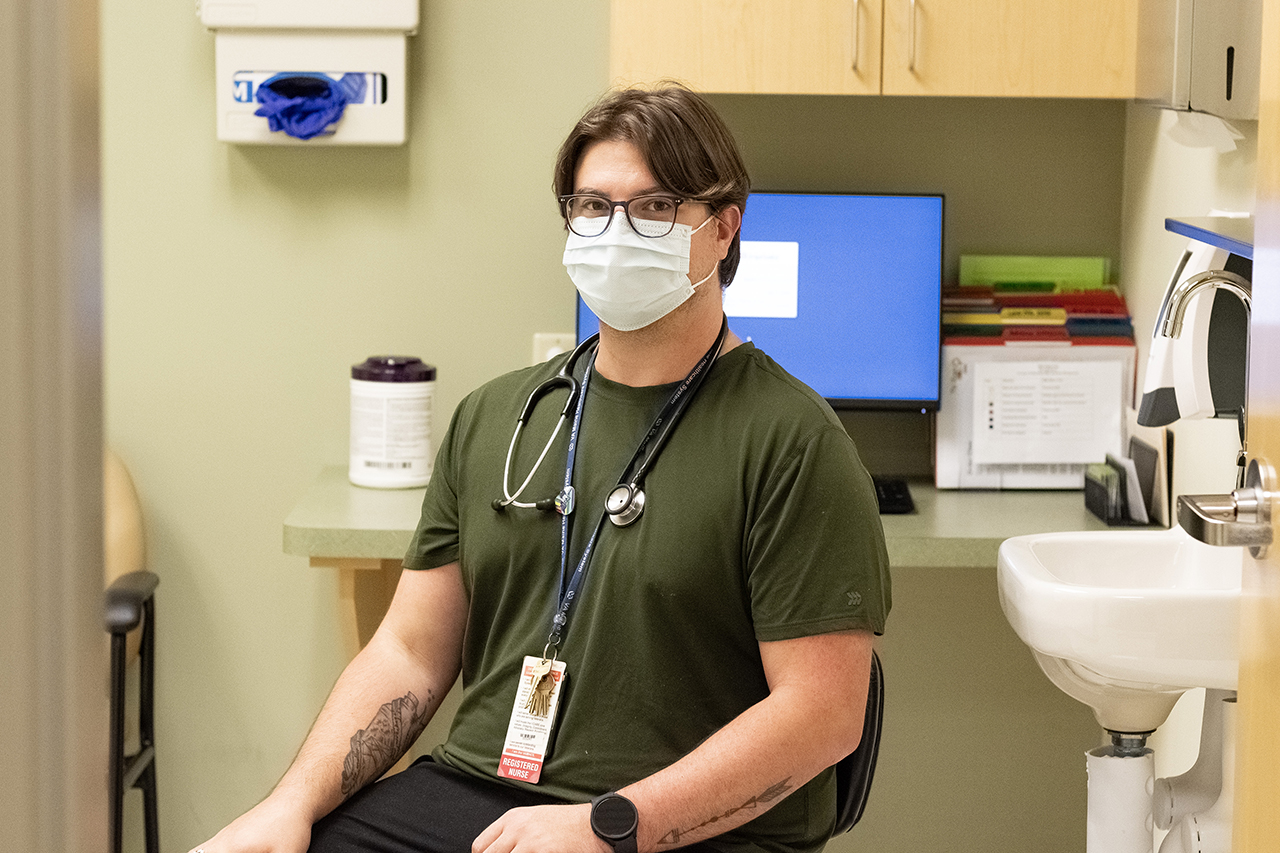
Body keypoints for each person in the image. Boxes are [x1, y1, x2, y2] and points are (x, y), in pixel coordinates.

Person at [193, 82, 890, 853]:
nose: (616, 229)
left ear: (723, 229)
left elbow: (822, 716)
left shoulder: (793, 441)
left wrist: (609, 825)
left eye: (655, 207)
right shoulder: (496, 417)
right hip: (480, 790)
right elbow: (410, 650)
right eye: (592, 206)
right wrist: (290, 804)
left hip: (680, 824)